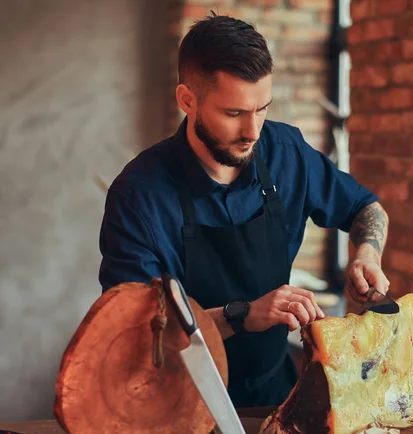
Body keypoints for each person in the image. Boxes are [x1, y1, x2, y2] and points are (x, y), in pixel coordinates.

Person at [98, 12, 390, 408]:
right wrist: (242, 315)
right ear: (188, 100)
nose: (253, 131)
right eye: (233, 114)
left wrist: (366, 254)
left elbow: (364, 207)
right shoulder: (139, 195)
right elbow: (133, 335)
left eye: (262, 109)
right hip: (177, 404)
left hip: (277, 393)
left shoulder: (286, 153)